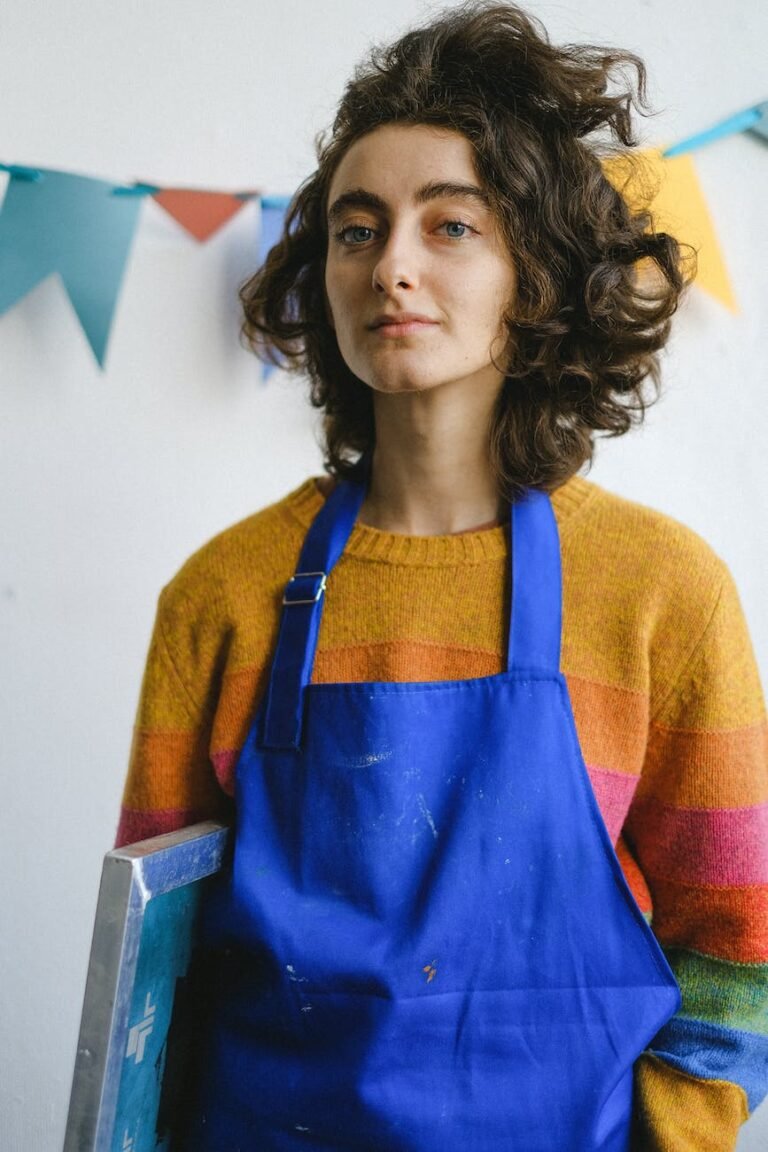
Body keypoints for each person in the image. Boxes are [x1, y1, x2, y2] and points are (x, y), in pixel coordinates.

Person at [115, 3, 767, 1148]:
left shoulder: (663, 594)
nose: (393, 268)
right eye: (357, 230)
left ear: (536, 271)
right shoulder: (220, 597)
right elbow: (149, 983)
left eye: (450, 225)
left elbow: (740, 959)